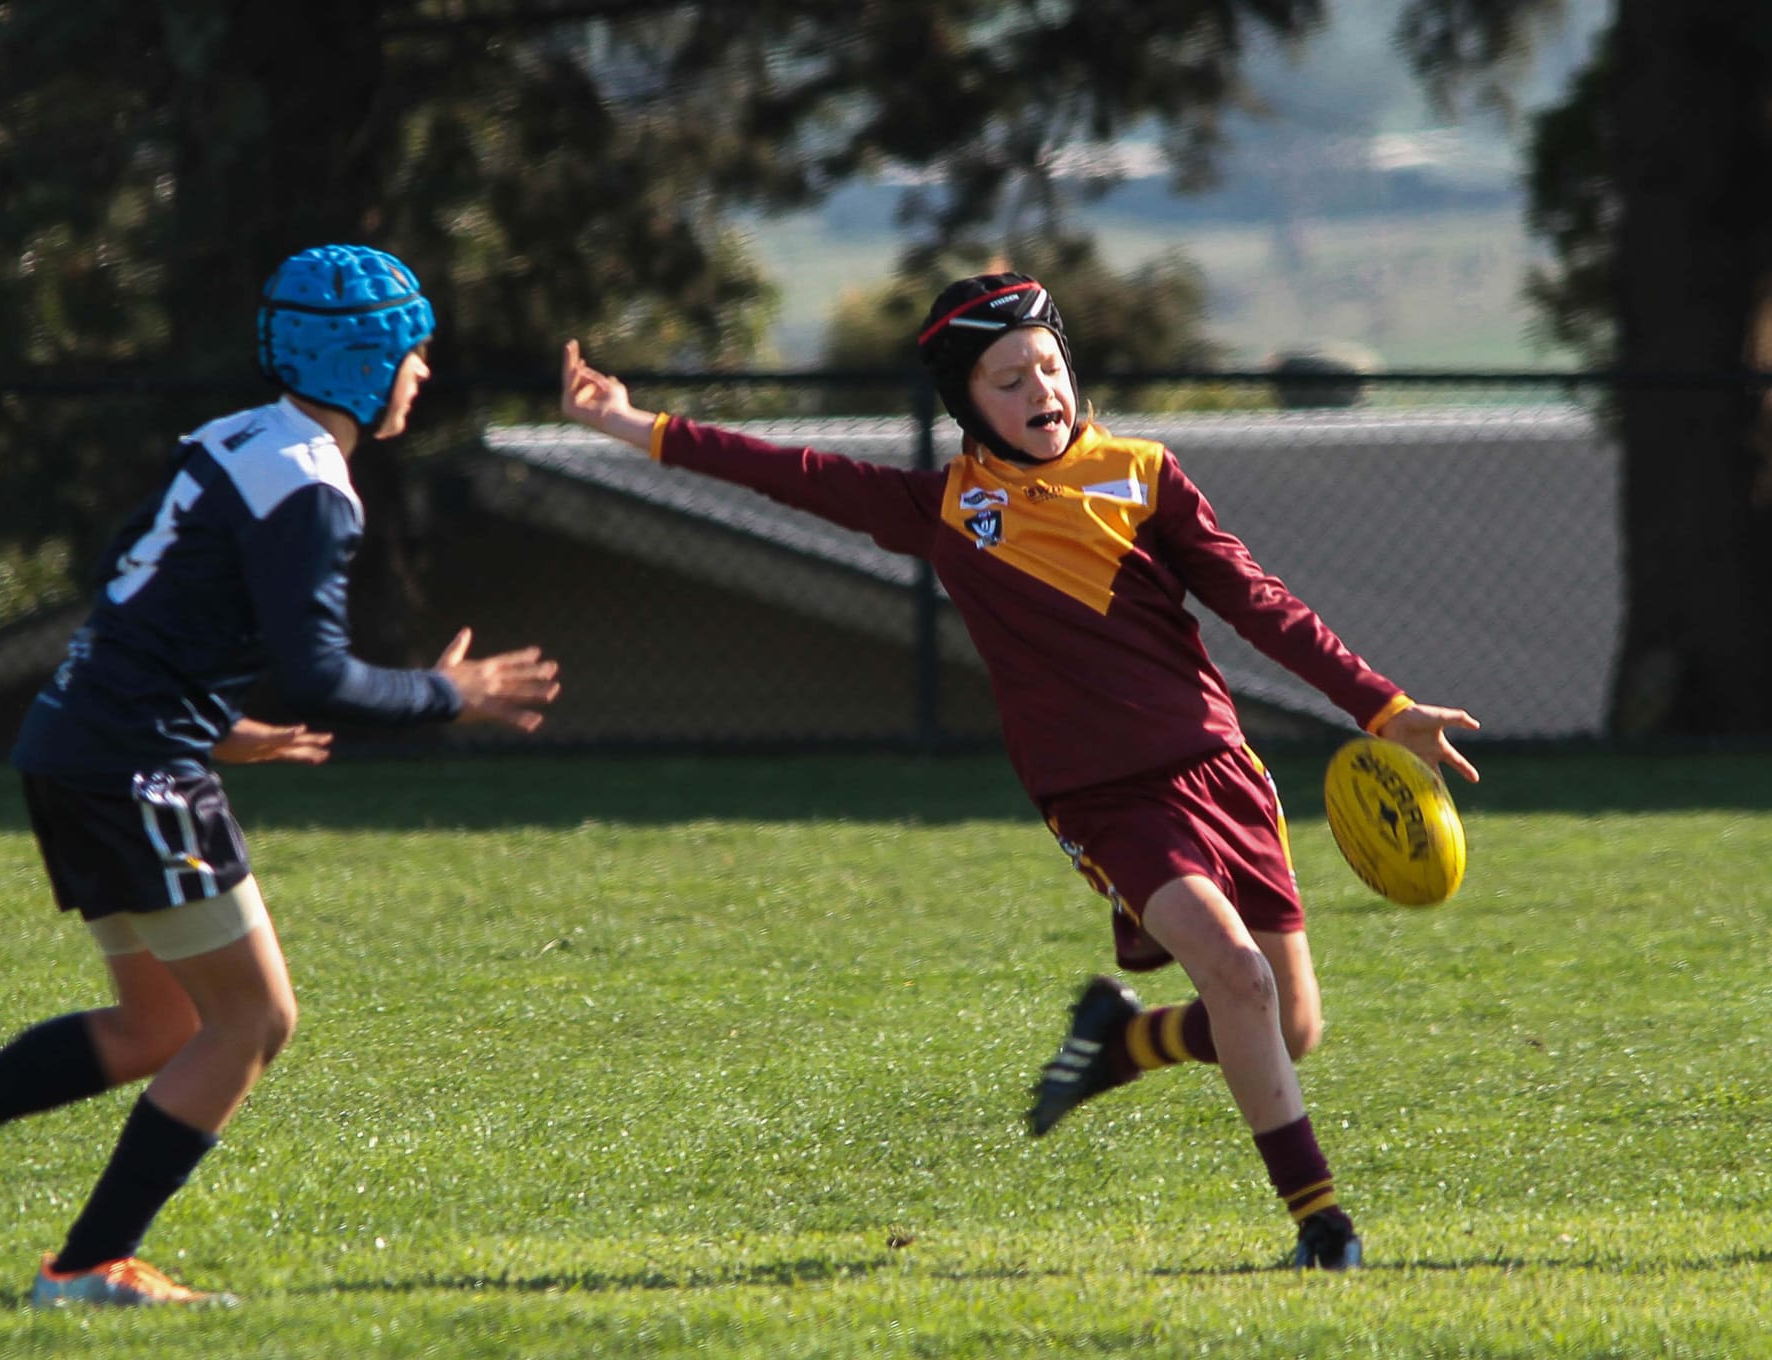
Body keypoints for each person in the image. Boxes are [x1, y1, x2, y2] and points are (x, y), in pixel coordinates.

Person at [558, 272, 1479, 1270]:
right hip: (1107, 798)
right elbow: (786, 469)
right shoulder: (946, 509)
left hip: (1222, 772)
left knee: (1287, 1027)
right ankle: (1323, 1227)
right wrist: (626, 422)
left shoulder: (1145, 473)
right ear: (965, 405)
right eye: (1007, 379)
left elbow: (1258, 602)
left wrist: (1382, 708)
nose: (1040, 388)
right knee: (1239, 980)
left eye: (1048, 365)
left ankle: (1118, 1042)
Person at [0, 244, 562, 1307]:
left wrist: (215, 724)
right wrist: (451, 693)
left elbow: (141, 606)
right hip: (132, 770)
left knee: (152, 1028)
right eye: (414, 350)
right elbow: (321, 675)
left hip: (78, 749)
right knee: (253, 1020)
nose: (423, 372)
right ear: (364, 356)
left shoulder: (230, 440)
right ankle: (84, 1267)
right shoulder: (312, 485)